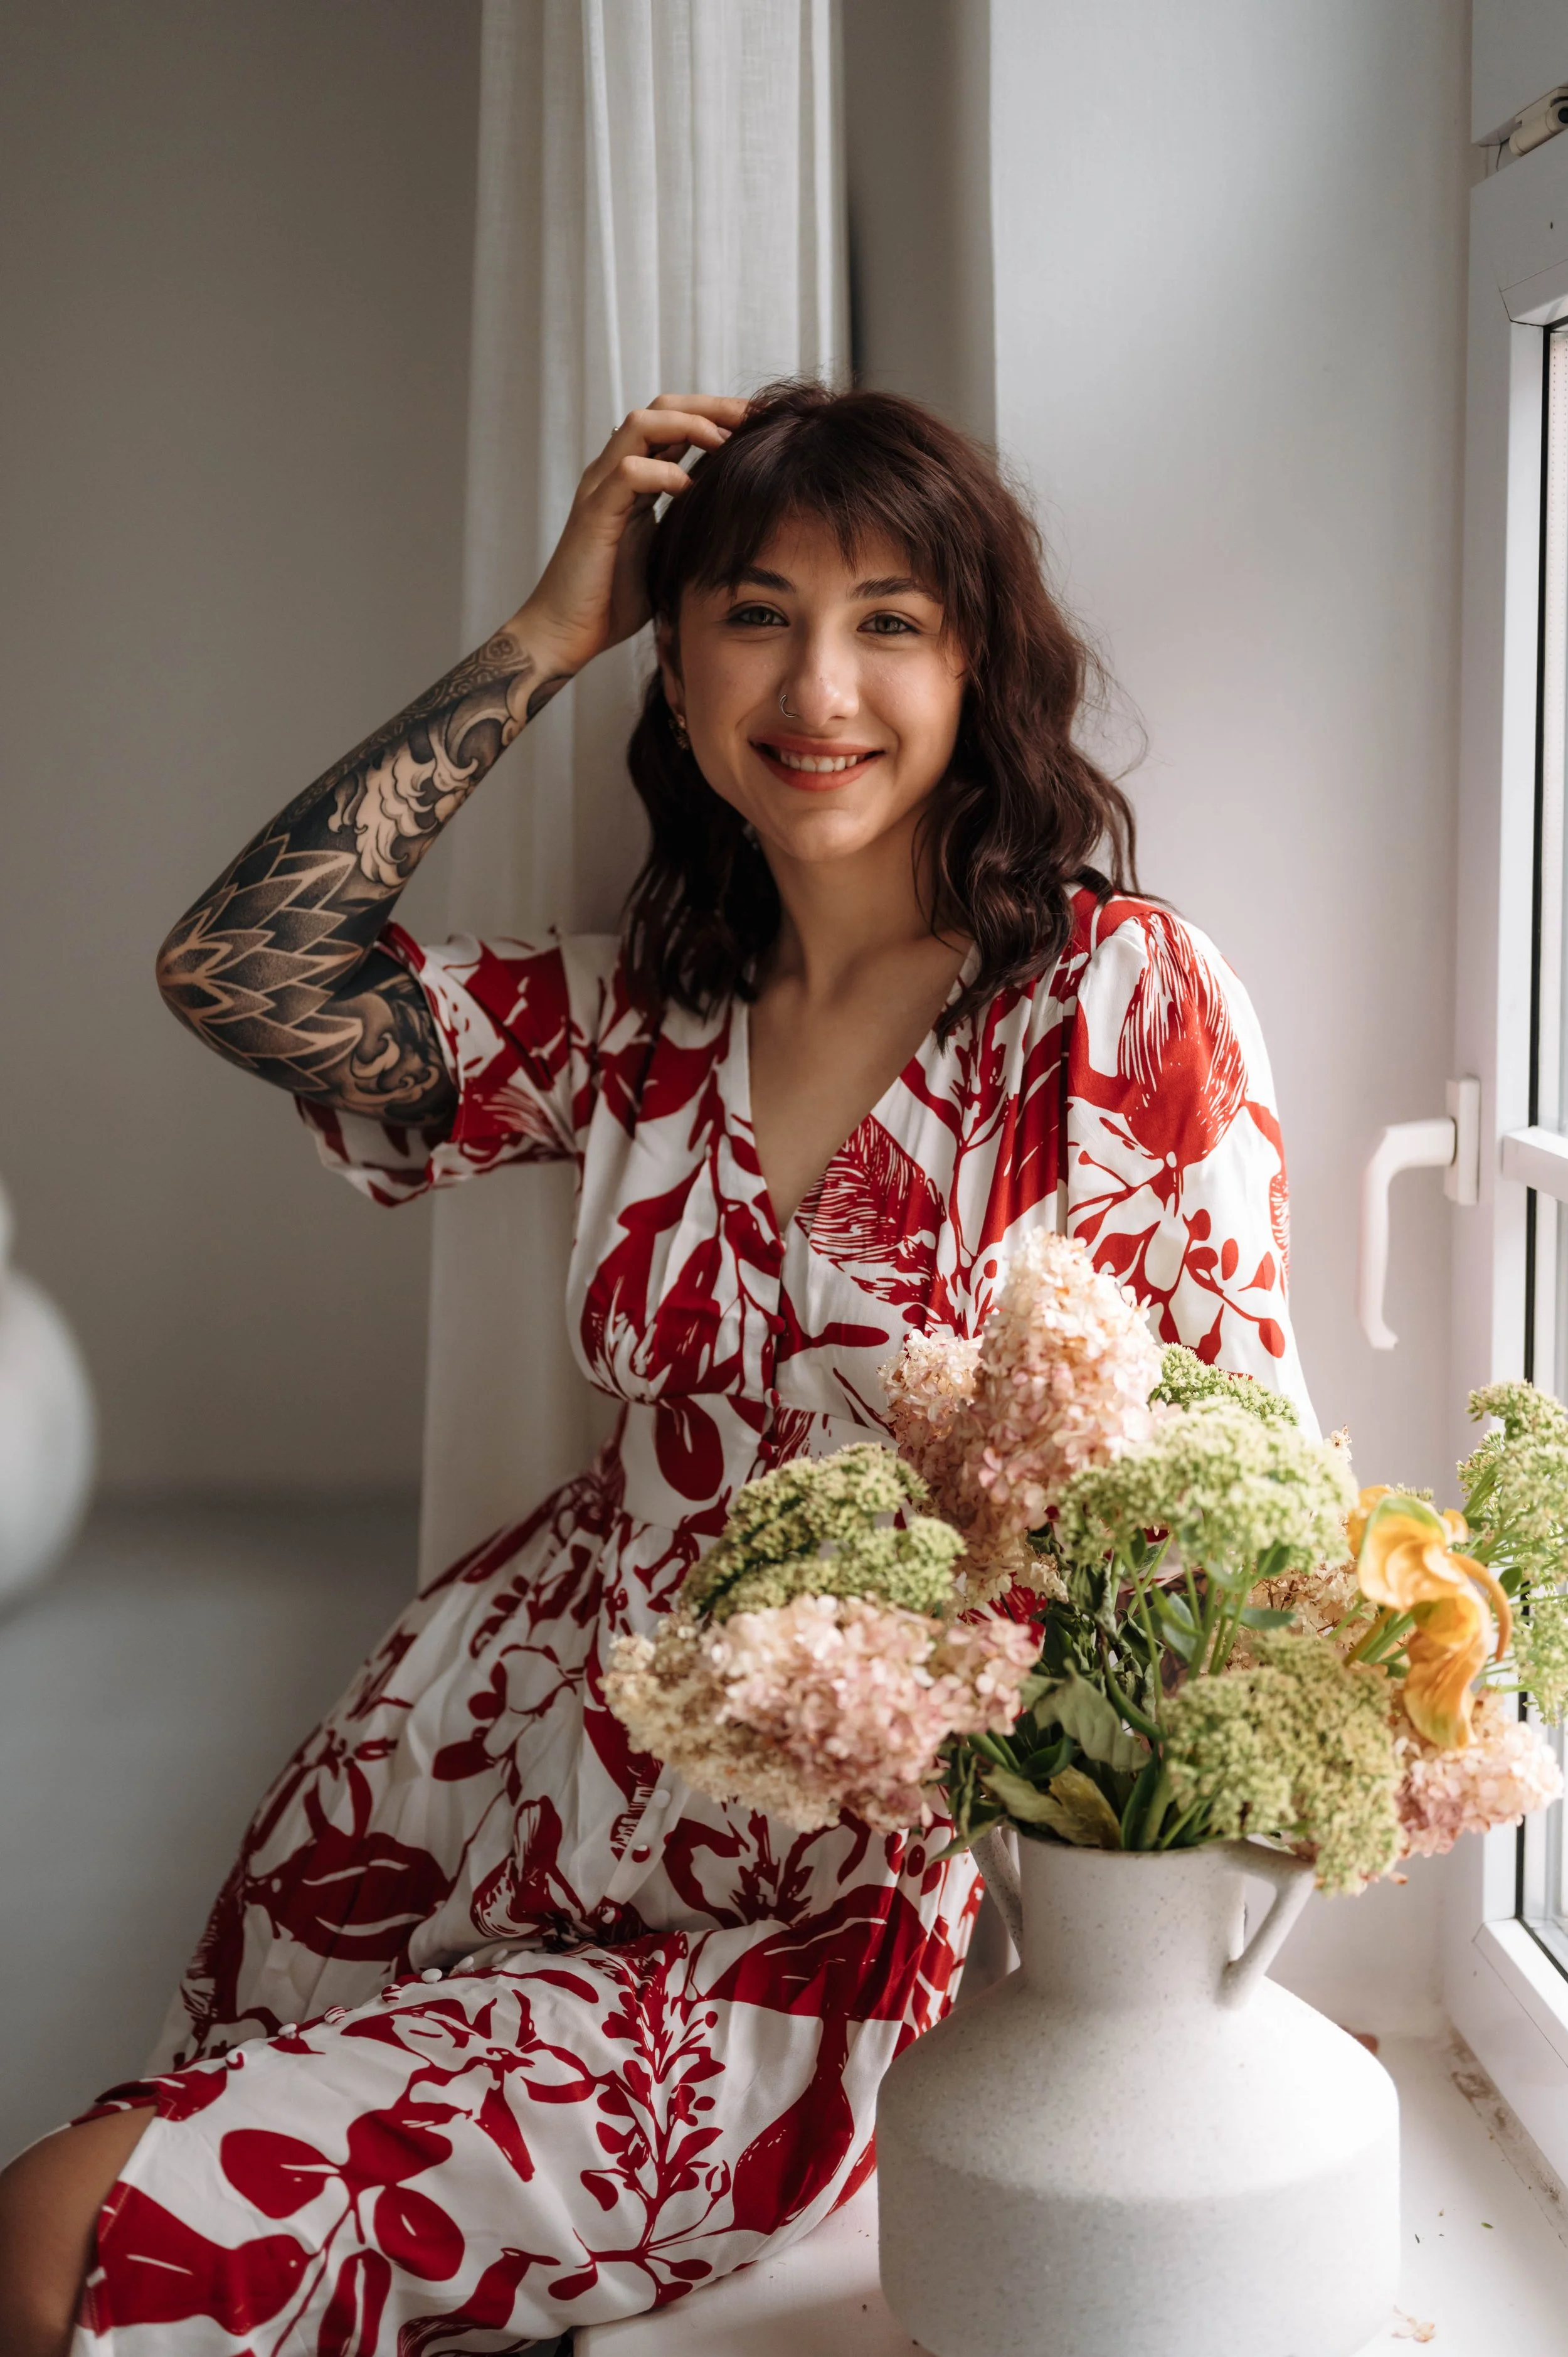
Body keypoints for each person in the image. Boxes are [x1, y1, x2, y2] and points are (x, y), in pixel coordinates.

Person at [0, 383, 1311, 2354]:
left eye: (890, 617)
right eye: (754, 611)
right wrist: (542, 634)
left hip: (832, 1911)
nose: (819, 682)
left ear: (978, 660)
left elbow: (1243, 1476)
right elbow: (241, 968)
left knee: (65, 2241)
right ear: (677, 665)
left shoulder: (1115, 1005)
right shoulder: (635, 1013)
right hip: (468, 1791)